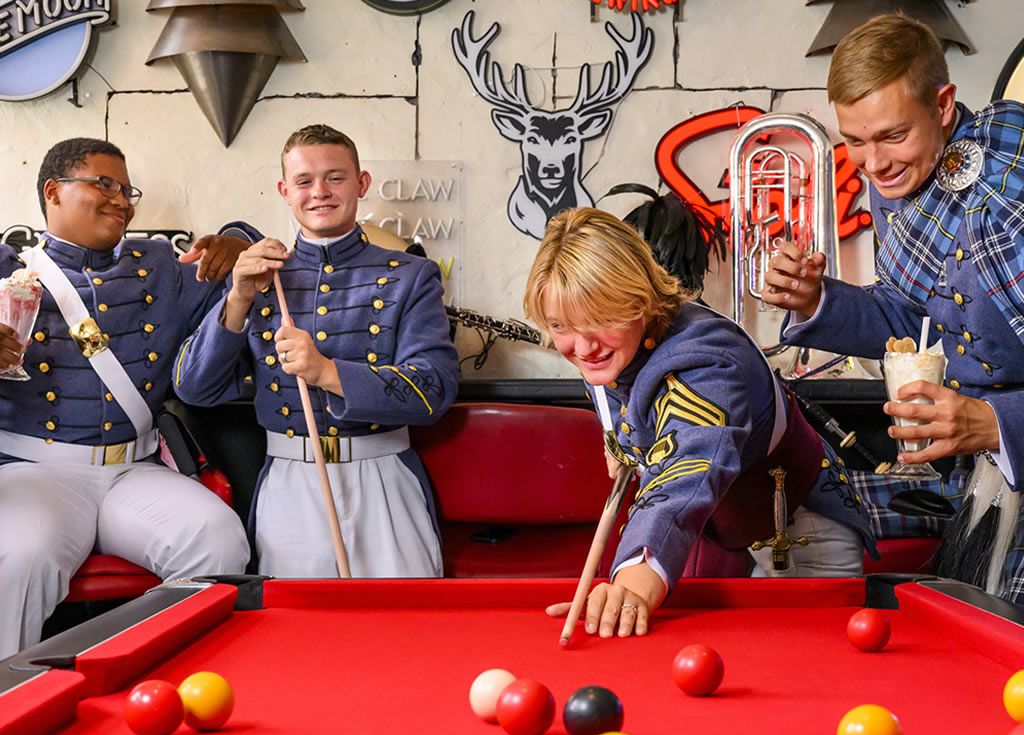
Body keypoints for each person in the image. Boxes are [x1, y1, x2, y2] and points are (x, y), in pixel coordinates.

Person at [763, 13, 1024, 603]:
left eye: (891, 135)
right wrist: (817, 299)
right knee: (797, 513)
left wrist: (996, 424)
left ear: (944, 104)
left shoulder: (1016, 184)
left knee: (997, 622)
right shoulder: (903, 187)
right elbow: (916, 317)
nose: (873, 164)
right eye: (854, 139)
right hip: (968, 470)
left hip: (1009, 450)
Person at [523, 207, 876, 639]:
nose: (582, 346)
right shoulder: (611, 351)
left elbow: (686, 470)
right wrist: (621, 446)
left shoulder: (708, 363)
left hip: (797, 541)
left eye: (599, 320)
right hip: (721, 536)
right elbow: (626, 412)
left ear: (639, 300)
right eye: (562, 326)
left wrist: (631, 584)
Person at [0, 138, 251, 659]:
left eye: (126, 189)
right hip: (33, 470)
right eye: (103, 184)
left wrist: (236, 241)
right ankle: (10, 703)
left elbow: (241, 272)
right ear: (54, 192)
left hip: (134, 470)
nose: (122, 199)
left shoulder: (161, 266)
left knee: (217, 538)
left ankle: (167, 679)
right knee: (20, 556)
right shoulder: (5, 267)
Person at [173, 124, 459, 578]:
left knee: (402, 631)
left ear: (361, 183)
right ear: (285, 192)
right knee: (296, 636)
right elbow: (195, 389)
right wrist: (238, 299)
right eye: (304, 181)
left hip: (383, 477)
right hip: (289, 483)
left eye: (336, 177)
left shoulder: (413, 275)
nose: (320, 192)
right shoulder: (262, 277)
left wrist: (328, 372)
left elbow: (435, 389)